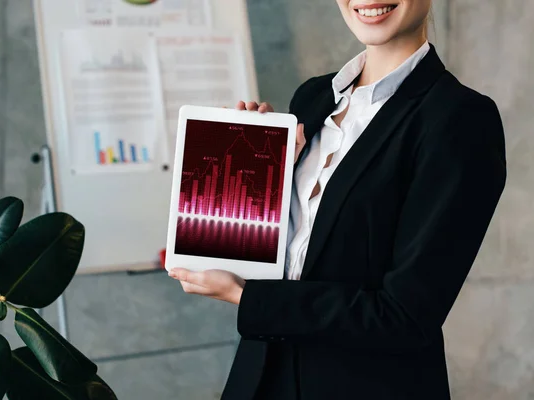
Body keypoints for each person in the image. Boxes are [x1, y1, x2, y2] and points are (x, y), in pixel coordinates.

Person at [168, 0, 507, 398]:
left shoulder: (460, 119)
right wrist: (257, 167)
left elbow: (406, 317)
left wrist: (244, 296)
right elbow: (298, 260)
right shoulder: (313, 98)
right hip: (260, 379)